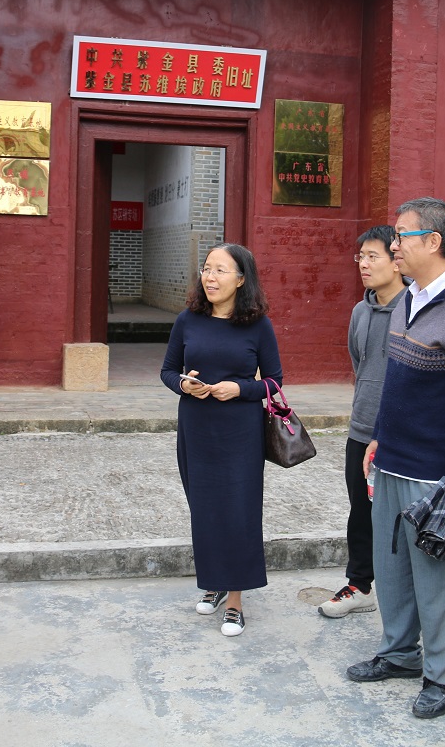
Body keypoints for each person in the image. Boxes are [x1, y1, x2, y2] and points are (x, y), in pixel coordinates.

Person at [345, 198, 445, 720]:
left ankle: (444, 675)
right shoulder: (408, 298)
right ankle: (398, 653)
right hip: (392, 459)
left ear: (433, 242)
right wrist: (379, 438)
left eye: (402, 236)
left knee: (440, 581)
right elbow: (396, 383)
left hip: (435, 473)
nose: (394, 246)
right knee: (392, 569)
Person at [159, 243, 283, 637]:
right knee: (205, 510)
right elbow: (167, 370)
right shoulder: (188, 320)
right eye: (207, 269)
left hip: (240, 432)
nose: (210, 277)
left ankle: (235, 601)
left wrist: (241, 388)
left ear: (241, 279)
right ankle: (213, 583)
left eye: (220, 270)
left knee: (238, 512)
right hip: (197, 427)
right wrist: (184, 384)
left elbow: (275, 381)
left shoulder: (258, 325)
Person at [319, 224, 408, 619]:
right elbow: (361, 364)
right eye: (361, 257)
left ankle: (403, 591)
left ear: (396, 260)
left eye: (373, 256)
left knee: (401, 515)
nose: (364, 264)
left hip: (401, 434)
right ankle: (360, 586)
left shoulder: (415, 309)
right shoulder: (360, 311)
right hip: (362, 429)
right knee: (361, 511)